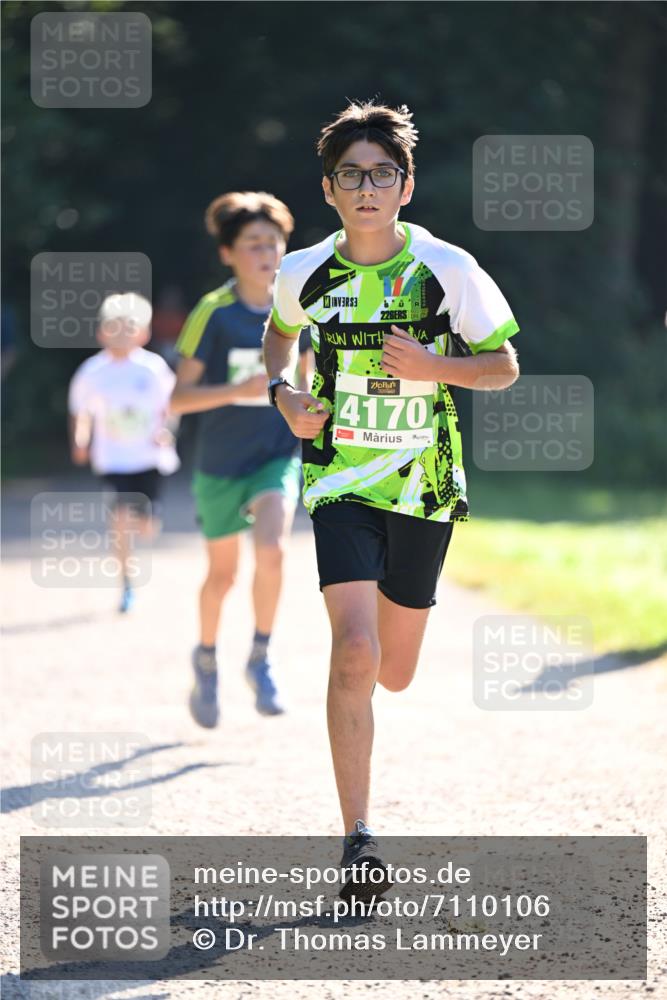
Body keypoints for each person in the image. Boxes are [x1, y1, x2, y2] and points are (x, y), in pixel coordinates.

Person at [263, 101, 520, 900]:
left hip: (424, 484)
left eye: (381, 174)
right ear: (329, 190)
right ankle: (358, 840)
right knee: (354, 653)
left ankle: (386, 651)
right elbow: (280, 335)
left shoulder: (446, 268)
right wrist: (283, 392)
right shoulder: (304, 269)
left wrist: (434, 369)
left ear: (404, 187)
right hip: (338, 477)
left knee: (395, 671)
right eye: (351, 176)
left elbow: (503, 364)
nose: (366, 188)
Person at [170, 191, 310, 728]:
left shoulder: (297, 309)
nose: (266, 254)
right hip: (220, 463)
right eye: (253, 245)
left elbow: (310, 376)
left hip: (275, 456)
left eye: (273, 244)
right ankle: (206, 658)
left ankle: (261, 655)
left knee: (273, 549)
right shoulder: (214, 313)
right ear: (228, 253)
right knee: (223, 577)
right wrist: (239, 389)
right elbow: (178, 400)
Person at [68, 293, 179, 613]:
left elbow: (172, 406)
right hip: (113, 459)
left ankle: (144, 525)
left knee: (146, 527)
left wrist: (167, 430)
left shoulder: (153, 368)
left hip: (149, 459)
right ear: (102, 331)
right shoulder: (91, 372)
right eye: (113, 326)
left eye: (128, 326)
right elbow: (81, 412)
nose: (120, 333)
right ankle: (127, 582)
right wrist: (80, 439)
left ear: (143, 333)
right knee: (118, 519)